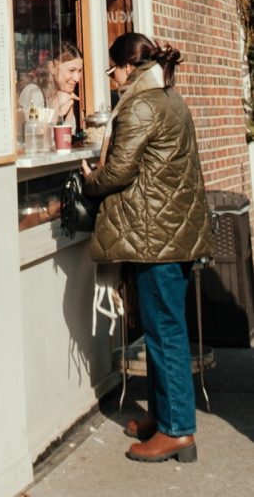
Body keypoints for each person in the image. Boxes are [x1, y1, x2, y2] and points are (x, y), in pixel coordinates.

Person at [81, 33, 212, 464]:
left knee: (164, 333)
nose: (112, 79)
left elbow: (118, 171)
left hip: (158, 239)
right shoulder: (171, 99)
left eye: (112, 70)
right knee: (162, 330)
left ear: (127, 68)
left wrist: (89, 180)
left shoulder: (140, 105)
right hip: (173, 233)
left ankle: (178, 431)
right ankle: (162, 415)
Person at [19, 41, 82, 127]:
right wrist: (56, 104)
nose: (77, 78)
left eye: (79, 71)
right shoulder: (34, 93)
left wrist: (69, 108)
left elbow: (68, 136)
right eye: (71, 70)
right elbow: (37, 134)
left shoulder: (62, 93)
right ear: (52, 67)